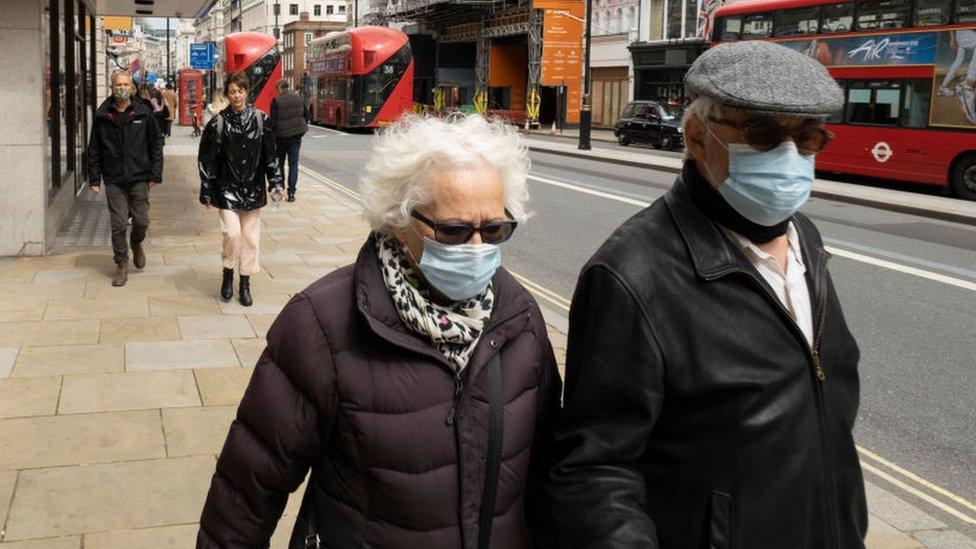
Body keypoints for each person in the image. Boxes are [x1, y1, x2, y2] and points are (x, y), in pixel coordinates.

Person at [549, 40, 866, 548]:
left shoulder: (805, 236)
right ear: (697, 138)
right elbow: (596, 471)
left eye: (807, 139)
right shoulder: (632, 274)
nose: (791, 158)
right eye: (763, 136)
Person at [196, 114, 561, 548]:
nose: (478, 248)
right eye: (454, 231)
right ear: (400, 217)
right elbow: (245, 495)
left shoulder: (520, 318)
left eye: (494, 229)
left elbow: (548, 479)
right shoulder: (321, 324)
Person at [198, 72, 283, 307]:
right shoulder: (218, 122)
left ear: (246, 92)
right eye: (232, 91)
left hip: (253, 189)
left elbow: (271, 156)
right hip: (226, 189)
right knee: (232, 234)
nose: (236, 95)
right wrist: (206, 190)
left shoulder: (260, 119)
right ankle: (227, 273)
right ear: (227, 94)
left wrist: (276, 182)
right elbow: (207, 159)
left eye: (240, 90)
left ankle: (244, 283)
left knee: (250, 238)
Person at [86, 69, 164, 286]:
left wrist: (155, 174)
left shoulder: (143, 112)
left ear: (132, 87)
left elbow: (156, 144)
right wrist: (94, 179)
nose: (121, 89)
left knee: (141, 221)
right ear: (112, 87)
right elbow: (95, 149)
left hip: (139, 176)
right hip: (114, 179)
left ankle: (136, 242)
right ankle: (121, 263)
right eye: (118, 85)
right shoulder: (103, 115)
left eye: (125, 85)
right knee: (118, 223)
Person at [270, 79, 310, 202]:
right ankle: (291, 193)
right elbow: (306, 115)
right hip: (295, 138)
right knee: (293, 165)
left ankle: (280, 189)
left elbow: (273, 121)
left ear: (280, 88)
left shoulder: (276, 101)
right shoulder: (299, 99)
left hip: (281, 138)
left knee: (279, 164)